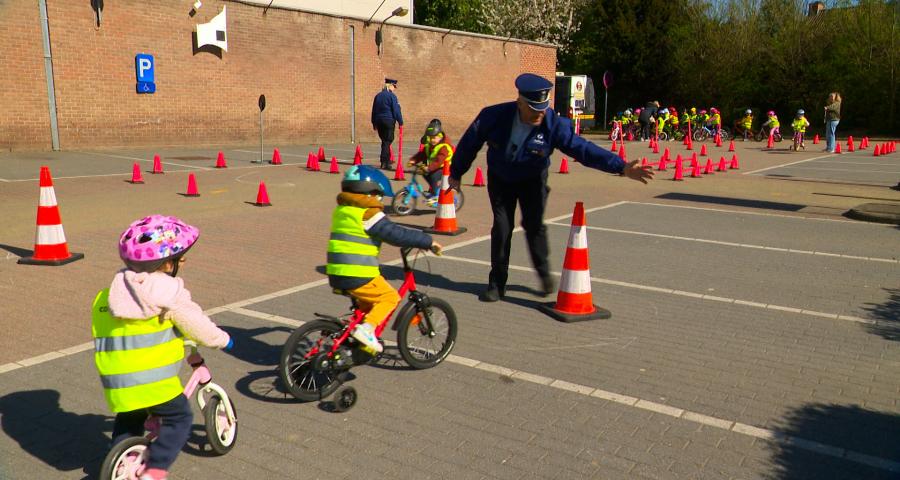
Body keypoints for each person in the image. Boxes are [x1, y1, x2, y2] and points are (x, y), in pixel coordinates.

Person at [448, 73, 654, 302]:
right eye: (535, 108)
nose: (540, 113)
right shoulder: (494, 116)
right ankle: (496, 283)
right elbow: (469, 143)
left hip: (532, 181)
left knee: (534, 226)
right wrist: (456, 173)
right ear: (520, 103)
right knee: (502, 228)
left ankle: (544, 273)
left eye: (544, 107)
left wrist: (622, 167)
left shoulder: (553, 124)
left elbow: (582, 149)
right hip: (501, 179)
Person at [93, 215, 233, 480]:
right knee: (180, 418)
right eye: (180, 258)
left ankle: (122, 459)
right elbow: (197, 326)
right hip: (154, 382)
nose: (184, 262)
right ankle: (155, 470)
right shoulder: (170, 294)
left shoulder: (105, 296)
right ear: (167, 264)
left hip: (116, 380)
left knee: (129, 416)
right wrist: (223, 339)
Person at [326, 165, 442, 352]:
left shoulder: (343, 211)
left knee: (368, 305)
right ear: (371, 192)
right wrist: (427, 241)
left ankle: (355, 344)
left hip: (336, 272)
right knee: (389, 297)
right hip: (358, 273)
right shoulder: (368, 213)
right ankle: (367, 330)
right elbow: (395, 233)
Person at [409, 119, 454, 206]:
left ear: (440, 136)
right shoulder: (431, 145)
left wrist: (429, 168)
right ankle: (434, 190)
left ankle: (436, 196)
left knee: (433, 175)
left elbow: (439, 161)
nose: (432, 140)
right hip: (438, 166)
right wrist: (414, 160)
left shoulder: (443, 147)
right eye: (430, 138)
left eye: (434, 138)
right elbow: (422, 154)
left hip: (446, 168)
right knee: (424, 173)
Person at [371, 78, 404, 169]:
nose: (394, 88)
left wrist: (374, 122)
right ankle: (384, 161)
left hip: (379, 120)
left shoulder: (378, 96)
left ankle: (386, 160)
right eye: (394, 86)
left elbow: (374, 110)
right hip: (388, 120)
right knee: (388, 140)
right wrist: (400, 121)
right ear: (389, 86)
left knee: (384, 141)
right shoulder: (392, 96)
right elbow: (396, 110)